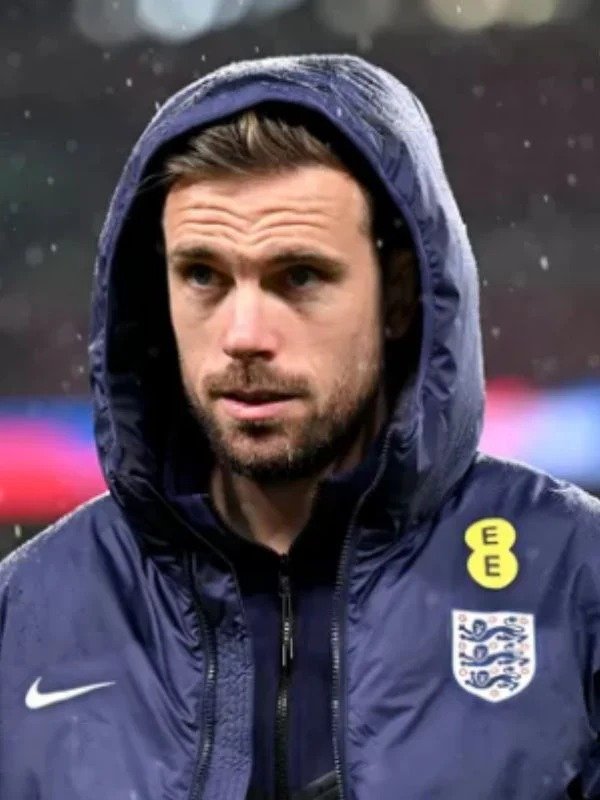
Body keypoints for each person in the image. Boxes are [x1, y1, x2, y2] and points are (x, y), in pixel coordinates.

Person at [1, 53, 600, 800]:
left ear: (400, 297)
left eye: (300, 277)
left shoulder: (577, 579)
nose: (244, 335)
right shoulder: (24, 614)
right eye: (203, 276)